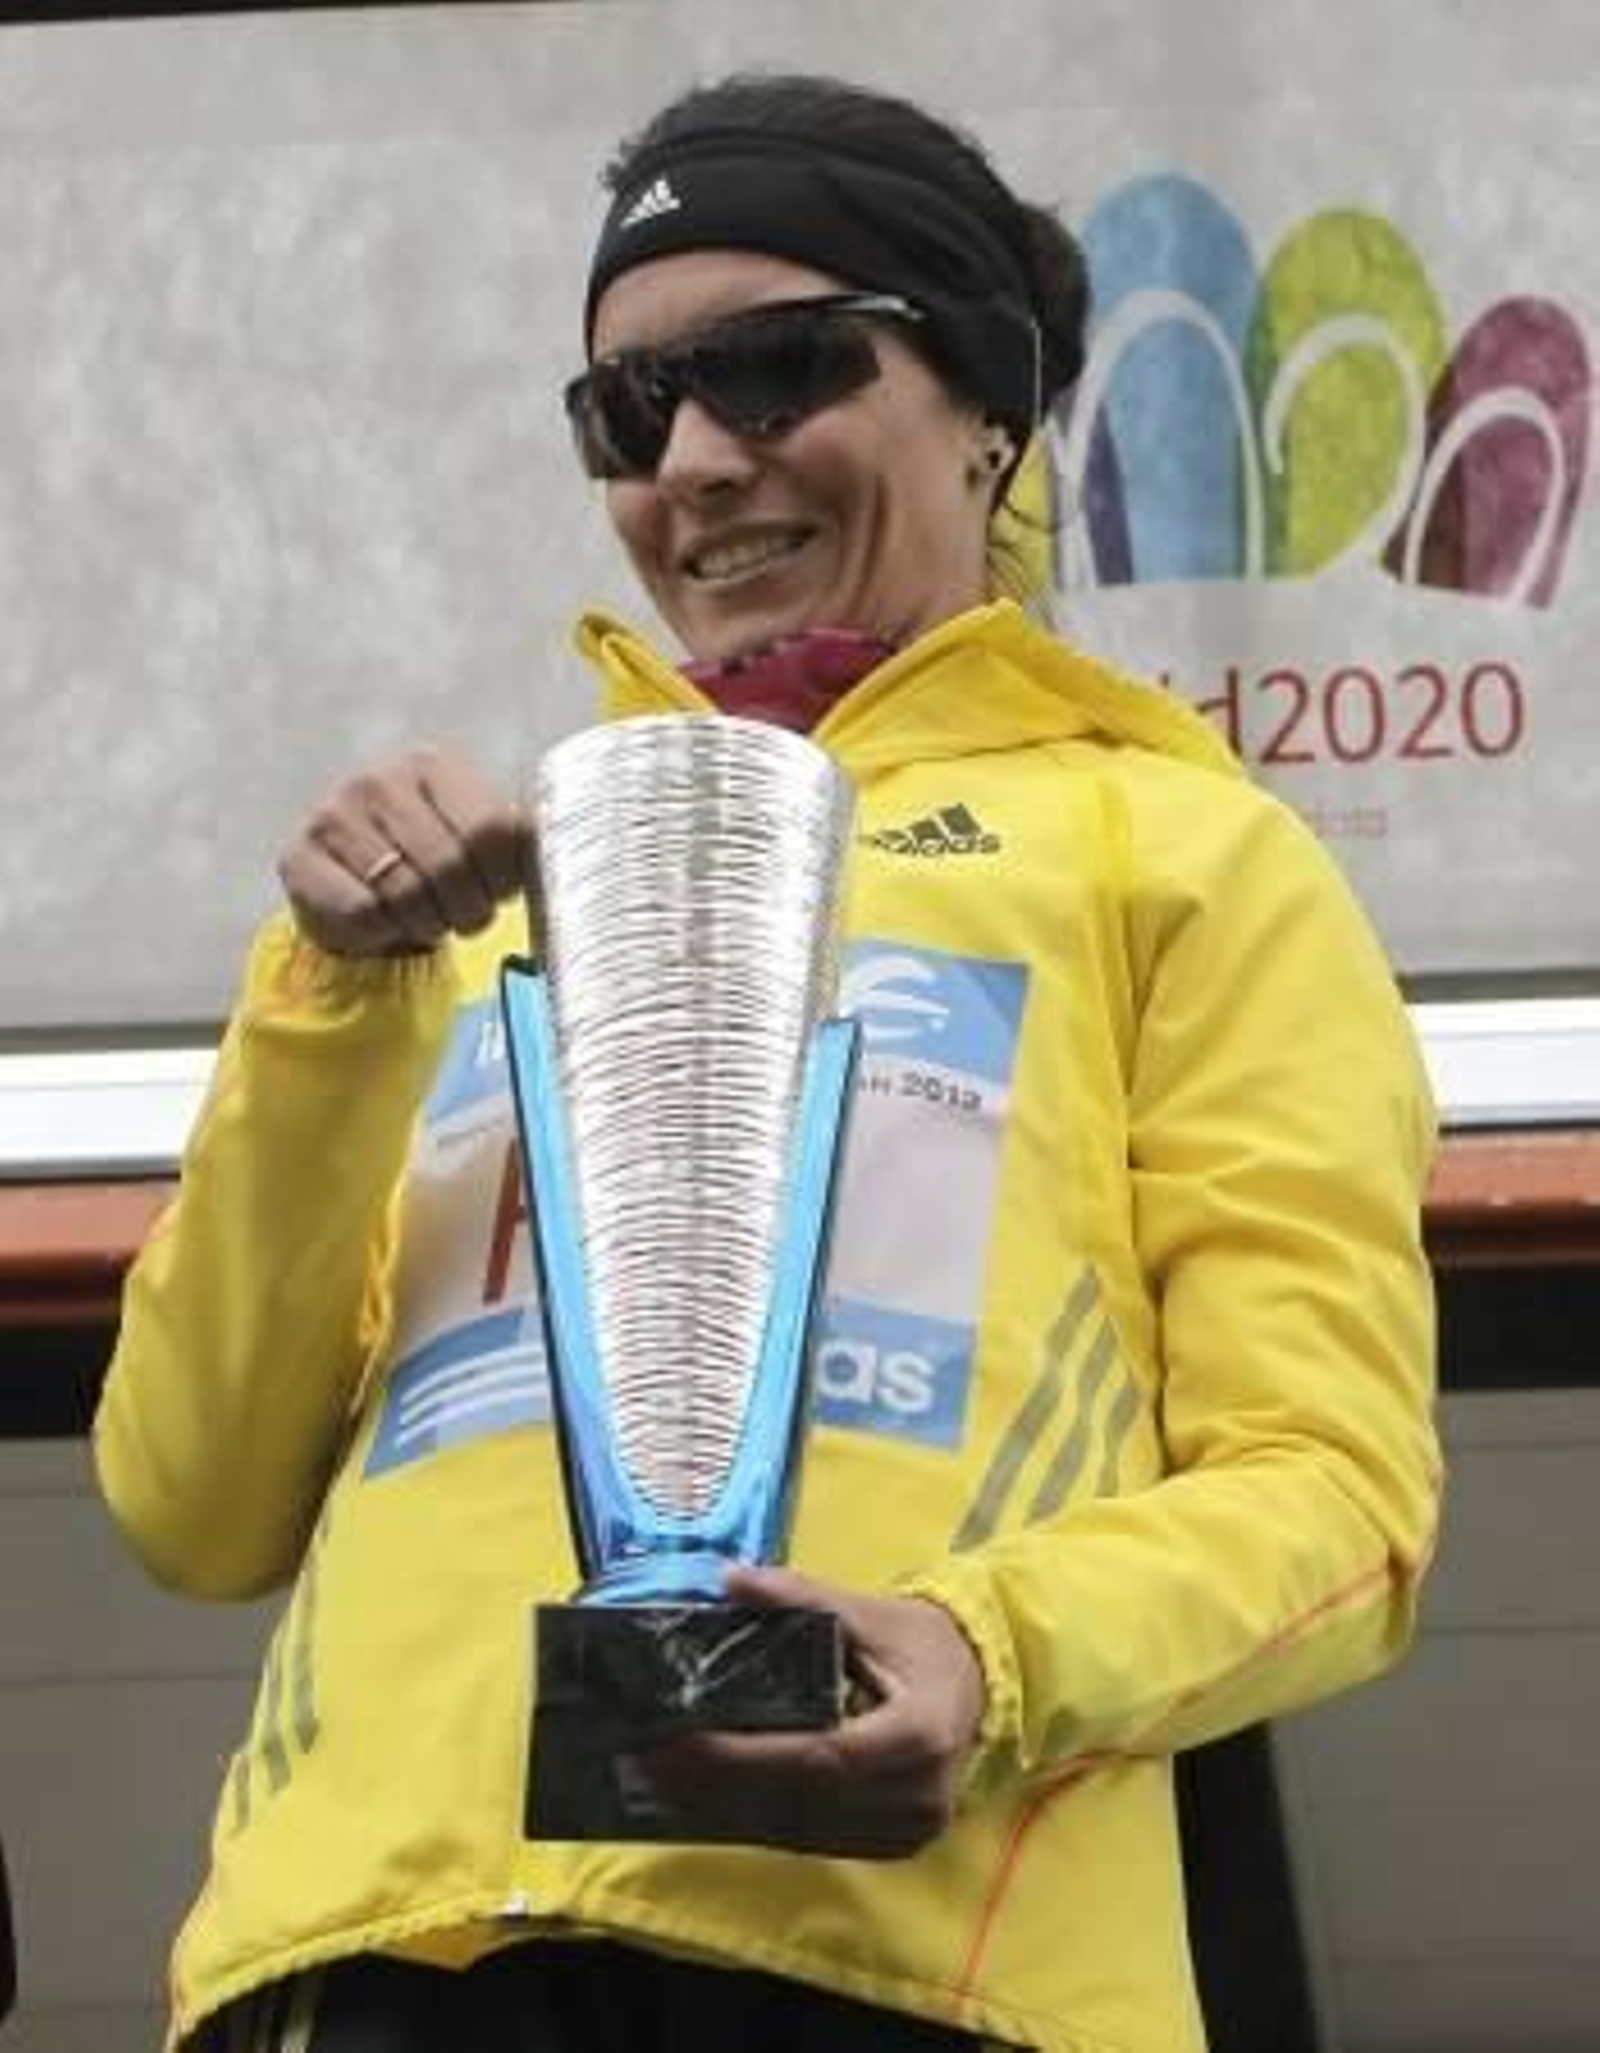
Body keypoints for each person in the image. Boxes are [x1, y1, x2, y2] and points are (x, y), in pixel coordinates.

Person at [96, 72, 1440, 2053]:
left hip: (902, 1967)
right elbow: (189, 1498)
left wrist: (985, 1654)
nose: (699, 461)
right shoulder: (462, 908)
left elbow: (1333, 1496)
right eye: (626, 413)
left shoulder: (1177, 851)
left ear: (985, 403)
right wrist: (330, 992)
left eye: (779, 368)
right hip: (374, 1961)